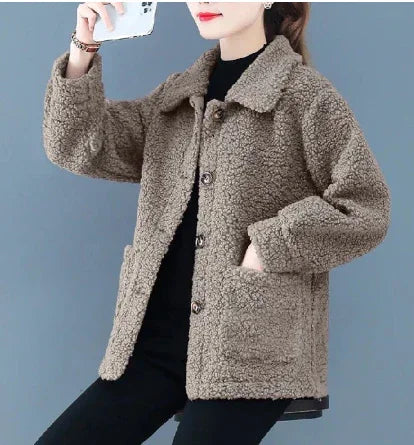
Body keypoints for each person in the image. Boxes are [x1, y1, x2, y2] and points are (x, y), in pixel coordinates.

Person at [36, 1, 391, 444]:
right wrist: (83, 48)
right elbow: (76, 146)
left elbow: (366, 205)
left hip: (245, 350)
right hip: (151, 347)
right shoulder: (177, 98)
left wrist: (270, 246)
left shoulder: (305, 97)